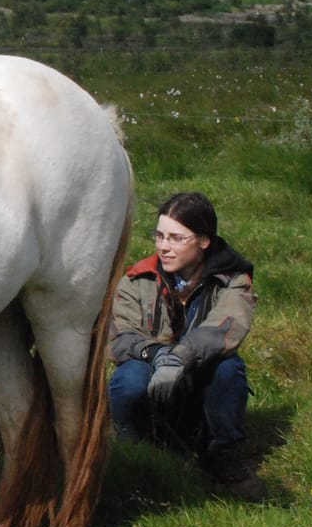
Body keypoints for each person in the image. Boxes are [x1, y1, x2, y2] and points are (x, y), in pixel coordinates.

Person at [108, 192, 267, 501]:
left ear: (204, 242)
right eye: (159, 236)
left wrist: (180, 358)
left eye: (177, 238)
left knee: (228, 368)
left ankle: (224, 456)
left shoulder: (232, 279)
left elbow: (226, 327)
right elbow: (119, 336)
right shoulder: (137, 279)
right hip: (152, 386)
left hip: (199, 389)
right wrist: (157, 355)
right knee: (128, 379)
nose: (164, 246)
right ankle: (133, 457)